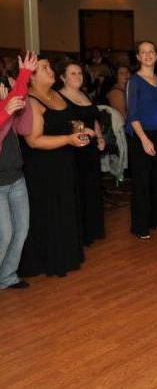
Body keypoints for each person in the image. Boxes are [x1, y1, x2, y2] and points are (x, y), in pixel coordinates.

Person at [20, 58, 91, 277]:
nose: (51, 71)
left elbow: (64, 123)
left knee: (65, 208)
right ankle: (48, 260)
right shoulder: (31, 101)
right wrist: (68, 140)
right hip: (43, 168)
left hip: (64, 162)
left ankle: (66, 255)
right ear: (31, 76)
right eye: (44, 69)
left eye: (50, 67)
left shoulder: (57, 94)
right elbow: (34, 141)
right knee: (49, 211)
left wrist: (81, 131)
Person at [126, 41, 157, 240]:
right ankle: (139, 226)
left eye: (151, 52)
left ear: (156, 56)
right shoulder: (135, 81)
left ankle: (156, 220)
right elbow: (133, 115)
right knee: (142, 182)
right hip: (140, 135)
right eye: (143, 52)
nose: (147, 55)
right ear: (138, 57)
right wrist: (144, 140)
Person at [58, 61, 106, 246]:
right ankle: (79, 233)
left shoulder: (84, 94)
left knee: (91, 187)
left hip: (90, 149)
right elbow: (63, 123)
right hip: (73, 151)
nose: (78, 76)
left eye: (79, 73)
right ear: (63, 77)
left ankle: (92, 229)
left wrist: (100, 137)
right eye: (72, 73)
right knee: (78, 190)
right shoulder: (59, 97)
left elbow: (94, 118)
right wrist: (83, 129)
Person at [0, 52, 37, 290]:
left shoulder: (6, 95)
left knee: (20, 231)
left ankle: (7, 276)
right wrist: (5, 110)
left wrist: (23, 92)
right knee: (4, 235)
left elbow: (24, 128)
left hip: (15, 176)